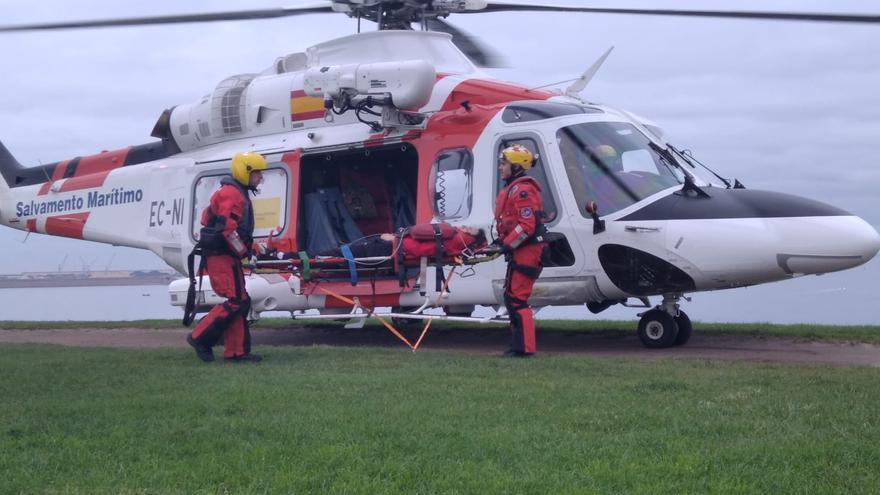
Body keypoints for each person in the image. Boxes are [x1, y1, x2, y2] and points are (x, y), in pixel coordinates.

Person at [186, 152, 267, 363]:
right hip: (221, 256)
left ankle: (236, 353)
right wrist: (244, 253)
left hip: (225, 256)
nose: (261, 178)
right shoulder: (233, 195)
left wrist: (245, 251)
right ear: (246, 172)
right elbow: (227, 230)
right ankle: (200, 337)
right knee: (236, 300)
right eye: (258, 173)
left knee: (241, 301)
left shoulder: (234, 192)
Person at [493, 144, 546, 357]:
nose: (500, 168)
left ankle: (524, 350)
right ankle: (518, 346)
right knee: (511, 297)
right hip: (521, 249)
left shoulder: (523, 191)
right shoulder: (515, 189)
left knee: (517, 300)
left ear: (515, 167)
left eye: (503, 163)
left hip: (528, 250)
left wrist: (507, 244)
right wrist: (503, 242)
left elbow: (526, 225)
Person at [315, 224, 487, 261]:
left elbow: (418, 238)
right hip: (396, 248)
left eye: (470, 229)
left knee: (342, 253)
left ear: (470, 237)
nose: (465, 226)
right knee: (344, 253)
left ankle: (294, 257)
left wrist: (395, 238)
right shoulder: (458, 245)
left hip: (392, 247)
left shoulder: (453, 235)